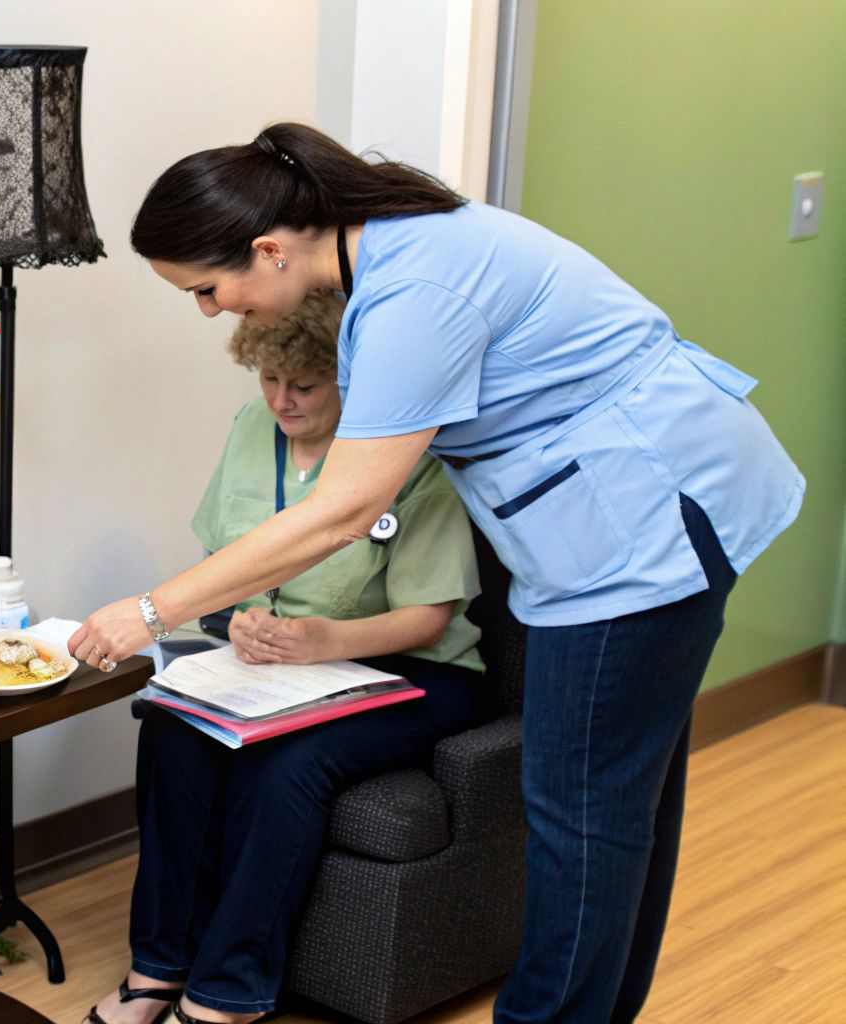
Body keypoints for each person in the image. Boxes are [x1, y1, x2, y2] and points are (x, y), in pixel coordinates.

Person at [69, 123, 804, 1024]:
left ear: (267, 251)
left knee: (582, 816)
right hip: (624, 511)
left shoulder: (414, 289)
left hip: (647, 519)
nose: (212, 311)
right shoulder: (391, 254)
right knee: (611, 808)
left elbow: (341, 511)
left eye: (209, 290)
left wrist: (151, 610)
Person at [83, 289, 491, 1024]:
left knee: (286, 766)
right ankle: (157, 969)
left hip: (410, 671)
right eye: (269, 381)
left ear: (349, 380)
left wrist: (324, 642)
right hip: (276, 669)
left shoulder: (404, 457)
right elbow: (223, 562)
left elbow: (431, 618)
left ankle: (227, 994)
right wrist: (235, 621)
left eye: (303, 385)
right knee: (173, 729)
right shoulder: (250, 427)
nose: (281, 400)